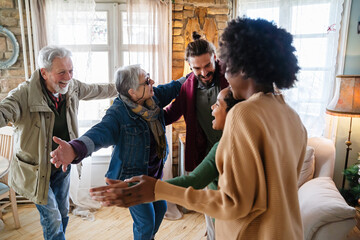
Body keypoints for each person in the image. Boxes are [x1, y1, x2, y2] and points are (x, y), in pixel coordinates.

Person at [88, 17, 308, 240]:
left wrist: (156, 189)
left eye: (227, 66)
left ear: (242, 68)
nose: (225, 75)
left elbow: (233, 204)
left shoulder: (243, 114)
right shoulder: (292, 116)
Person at [49, 64, 185, 240]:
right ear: (132, 92)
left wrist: (195, 74)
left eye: (149, 76)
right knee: (146, 223)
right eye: (146, 80)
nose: (151, 81)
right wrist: (74, 149)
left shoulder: (152, 98)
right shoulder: (118, 114)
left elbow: (174, 87)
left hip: (154, 175)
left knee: (160, 210)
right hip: (131, 179)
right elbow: (99, 133)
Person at [0, 45, 118, 240]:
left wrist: (124, 88)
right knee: (52, 219)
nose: (68, 77)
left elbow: (97, 90)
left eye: (71, 70)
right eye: (62, 72)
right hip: (36, 172)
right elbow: (4, 111)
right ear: (44, 72)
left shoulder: (71, 87)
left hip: (62, 166)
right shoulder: (23, 95)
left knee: (62, 214)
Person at [165, 31, 228, 173]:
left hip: (235, 152)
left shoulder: (231, 76)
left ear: (215, 57)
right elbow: (170, 114)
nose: (204, 73)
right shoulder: (187, 87)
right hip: (207, 158)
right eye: (197, 68)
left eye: (207, 65)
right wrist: (144, 116)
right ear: (189, 65)